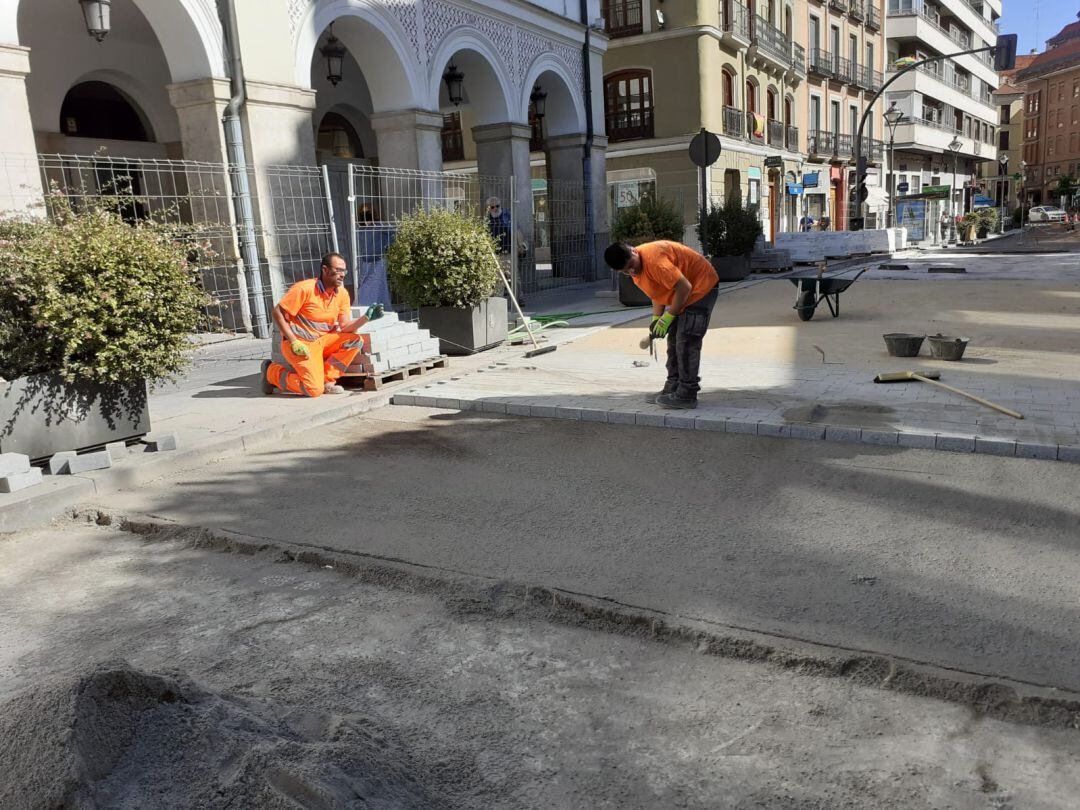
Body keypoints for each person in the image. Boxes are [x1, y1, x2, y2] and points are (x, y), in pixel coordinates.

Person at [604, 240, 720, 410]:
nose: (632, 271)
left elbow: (684, 287)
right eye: (625, 271)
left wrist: (670, 315)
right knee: (673, 341)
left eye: (631, 265)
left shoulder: (655, 260)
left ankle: (687, 393)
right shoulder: (636, 271)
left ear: (634, 251)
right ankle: (673, 386)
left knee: (686, 340)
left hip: (702, 287)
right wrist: (657, 318)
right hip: (684, 293)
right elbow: (657, 291)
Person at [260, 252, 384, 397]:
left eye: (344, 271)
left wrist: (366, 318)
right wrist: (293, 341)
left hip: (322, 342)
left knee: (354, 340)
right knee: (313, 390)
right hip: (301, 346)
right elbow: (277, 312)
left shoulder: (342, 294)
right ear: (325, 270)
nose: (342, 275)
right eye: (338, 270)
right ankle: (271, 372)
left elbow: (344, 327)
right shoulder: (304, 289)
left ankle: (327, 381)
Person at [357, 203, 394, 307]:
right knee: (376, 286)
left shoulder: (379, 225)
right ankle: (383, 309)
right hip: (365, 262)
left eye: (367, 212)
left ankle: (364, 309)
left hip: (378, 261)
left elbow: (393, 234)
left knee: (371, 287)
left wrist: (383, 245)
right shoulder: (361, 228)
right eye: (362, 213)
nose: (365, 215)